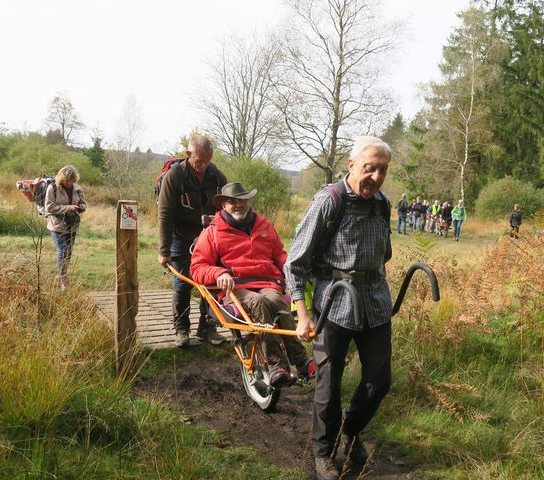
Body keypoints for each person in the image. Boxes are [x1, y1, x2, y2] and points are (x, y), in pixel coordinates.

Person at [285, 136, 393, 480]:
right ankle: (323, 452)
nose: (375, 177)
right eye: (368, 168)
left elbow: (383, 254)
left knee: (379, 379)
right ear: (351, 166)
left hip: (375, 303)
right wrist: (302, 314)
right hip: (335, 303)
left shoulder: (382, 203)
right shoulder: (329, 201)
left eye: (382, 170)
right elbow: (295, 263)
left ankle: (350, 430)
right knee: (328, 384)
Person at [190, 182, 314, 386]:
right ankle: (277, 366)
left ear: (249, 201)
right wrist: (218, 272)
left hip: (268, 281)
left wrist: (293, 269)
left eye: (243, 200)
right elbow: (197, 267)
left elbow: (280, 255)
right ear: (223, 205)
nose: (238, 205)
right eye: (232, 202)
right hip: (236, 286)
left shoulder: (264, 224)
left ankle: (301, 361)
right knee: (259, 302)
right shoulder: (213, 231)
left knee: (276, 300)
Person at [158, 134, 227, 348]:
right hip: (181, 237)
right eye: (199, 161)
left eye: (208, 161)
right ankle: (181, 329)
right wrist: (164, 250)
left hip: (209, 239)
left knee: (212, 283)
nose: (204, 166)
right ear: (188, 155)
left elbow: (226, 212)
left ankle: (207, 328)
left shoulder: (217, 177)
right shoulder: (174, 177)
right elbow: (165, 214)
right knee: (183, 284)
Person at [44, 165, 87, 289]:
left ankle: (63, 274)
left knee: (68, 253)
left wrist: (81, 208)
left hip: (72, 224)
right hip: (57, 225)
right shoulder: (53, 188)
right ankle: (62, 277)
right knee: (63, 250)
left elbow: (83, 203)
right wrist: (68, 208)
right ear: (61, 178)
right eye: (67, 180)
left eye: (72, 180)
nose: (69, 183)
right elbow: (49, 207)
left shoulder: (78, 188)